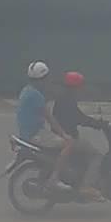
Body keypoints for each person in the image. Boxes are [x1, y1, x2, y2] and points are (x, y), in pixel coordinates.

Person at [16, 61, 73, 190]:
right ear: (43, 79)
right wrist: (64, 134)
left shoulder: (26, 91)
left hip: (27, 133)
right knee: (68, 143)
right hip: (35, 135)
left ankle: (50, 172)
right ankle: (54, 179)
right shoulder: (36, 96)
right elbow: (50, 118)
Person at [53, 72, 106, 202]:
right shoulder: (68, 100)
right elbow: (79, 118)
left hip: (60, 135)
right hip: (68, 138)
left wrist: (96, 123)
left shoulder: (63, 98)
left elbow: (78, 117)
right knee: (97, 156)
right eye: (80, 86)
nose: (82, 89)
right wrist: (99, 124)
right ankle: (86, 186)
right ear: (75, 87)